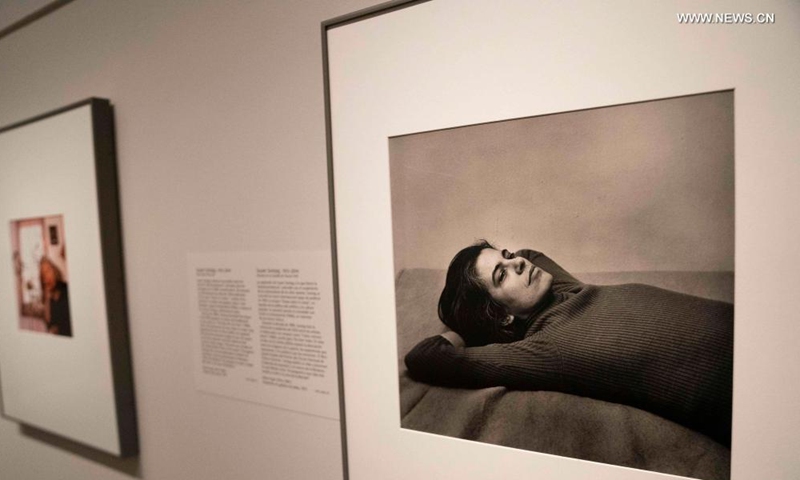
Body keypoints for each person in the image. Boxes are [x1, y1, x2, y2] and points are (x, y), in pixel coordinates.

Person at [405, 240, 733, 446]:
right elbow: (425, 356)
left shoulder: (568, 289)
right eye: (501, 275)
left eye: (506, 255)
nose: (517, 262)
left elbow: (531, 253)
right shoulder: (544, 348)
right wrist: (467, 328)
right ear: (501, 316)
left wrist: (500, 272)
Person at [40, 257, 72, 337]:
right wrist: (47, 299)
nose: (46, 276)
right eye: (43, 274)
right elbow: (49, 323)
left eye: (48, 270)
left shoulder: (67, 289)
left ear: (54, 270)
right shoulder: (49, 297)